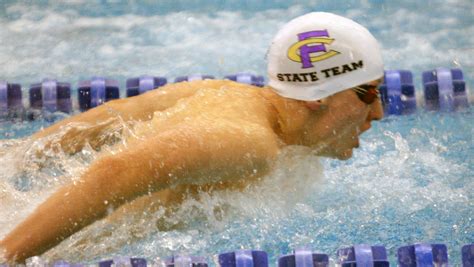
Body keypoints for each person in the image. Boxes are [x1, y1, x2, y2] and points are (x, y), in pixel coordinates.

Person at [0, 12, 384, 263]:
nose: (378, 113)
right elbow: (117, 170)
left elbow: (97, 125)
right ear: (317, 95)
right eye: (366, 94)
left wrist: (10, 160)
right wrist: (10, 255)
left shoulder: (220, 92)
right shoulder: (252, 145)